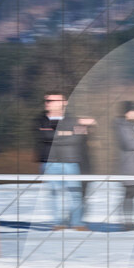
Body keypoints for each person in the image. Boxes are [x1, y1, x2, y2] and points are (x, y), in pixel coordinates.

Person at [34, 92, 89, 231]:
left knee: (75, 193)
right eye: (46, 100)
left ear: (64, 102)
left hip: (71, 161)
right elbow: (46, 136)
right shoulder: (39, 120)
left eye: (52, 100)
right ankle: (58, 224)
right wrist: (68, 134)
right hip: (48, 162)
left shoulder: (74, 119)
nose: (48, 103)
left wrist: (57, 135)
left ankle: (77, 224)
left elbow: (78, 138)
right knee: (54, 193)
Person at [114, 101, 134, 230]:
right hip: (129, 166)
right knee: (130, 194)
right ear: (129, 112)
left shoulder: (130, 125)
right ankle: (128, 223)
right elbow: (129, 145)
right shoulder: (122, 126)